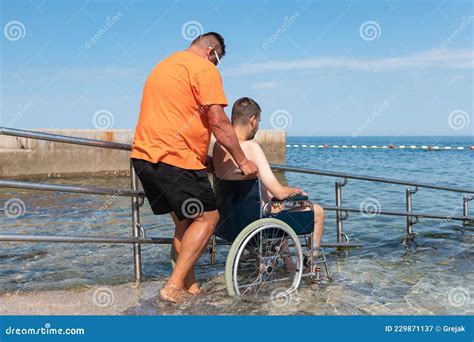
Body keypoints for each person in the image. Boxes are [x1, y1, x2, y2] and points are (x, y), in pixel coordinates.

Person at [130, 33, 258, 304]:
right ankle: (174, 286)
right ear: (211, 51)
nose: (217, 65)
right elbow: (219, 121)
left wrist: (201, 156)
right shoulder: (203, 68)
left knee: (185, 224)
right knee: (209, 219)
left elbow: (174, 114)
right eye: (218, 59)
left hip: (145, 156)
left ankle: (190, 288)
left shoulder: (165, 66)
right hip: (174, 158)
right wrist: (242, 161)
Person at [213, 97, 325, 269]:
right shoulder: (251, 147)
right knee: (317, 211)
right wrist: (298, 191)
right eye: (258, 121)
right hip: (257, 227)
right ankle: (312, 263)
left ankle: (288, 263)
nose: (257, 126)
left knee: (276, 207)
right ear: (252, 120)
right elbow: (279, 192)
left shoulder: (219, 148)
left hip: (228, 226)